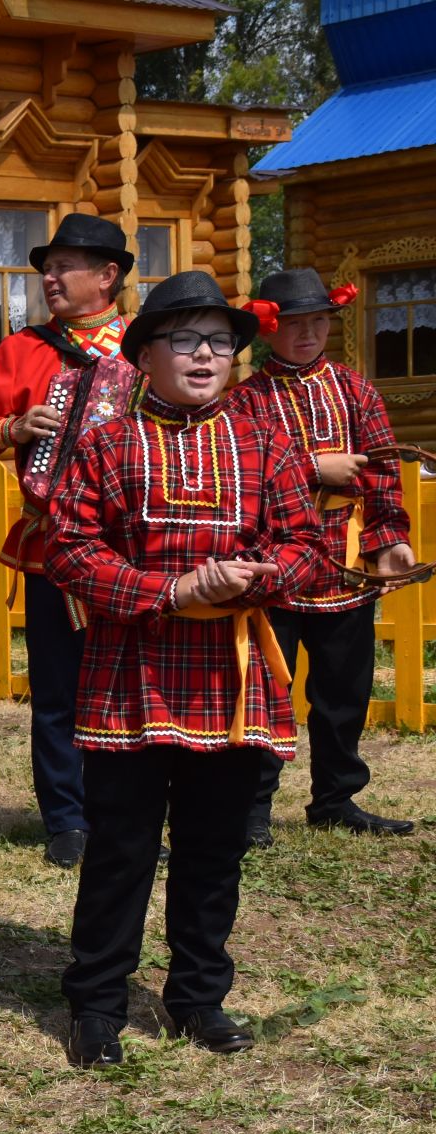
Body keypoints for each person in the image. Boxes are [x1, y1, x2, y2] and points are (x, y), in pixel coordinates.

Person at [46, 271, 321, 1069]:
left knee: (214, 846)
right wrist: (168, 590)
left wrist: (261, 576)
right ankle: (96, 1003)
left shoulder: (268, 444)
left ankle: (199, 995)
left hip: (233, 676)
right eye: (186, 339)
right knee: (123, 845)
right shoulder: (105, 444)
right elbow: (70, 551)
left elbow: (305, 547)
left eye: (220, 342)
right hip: (131, 667)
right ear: (145, 355)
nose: (206, 355)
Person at [0, 213, 136, 869]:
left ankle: (127, 812)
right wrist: (9, 428)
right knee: (58, 688)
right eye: (46, 268)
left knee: (131, 683)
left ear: (107, 276)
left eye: (65, 266)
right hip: (53, 542)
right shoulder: (24, 351)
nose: (50, 277)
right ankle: (67, 821)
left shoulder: (145, 348)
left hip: (133, 551)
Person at [237, 269, 416, 842]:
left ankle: (336, 798)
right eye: (294, 323)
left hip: (342, 566)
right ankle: (251, 808)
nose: (308, 332)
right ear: (269, 329)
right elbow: (243, 475)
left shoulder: (354, 389)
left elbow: (383, 468)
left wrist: (390, 540)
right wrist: (315, 470)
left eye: (318, 321)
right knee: (268, 685)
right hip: (274, 566)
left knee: (344, 687)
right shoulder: (245, 398)